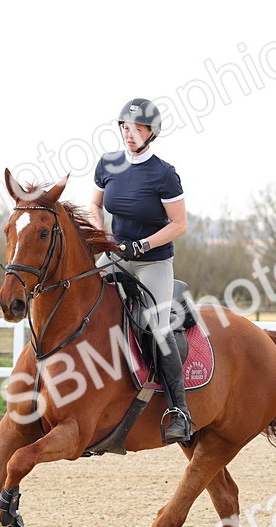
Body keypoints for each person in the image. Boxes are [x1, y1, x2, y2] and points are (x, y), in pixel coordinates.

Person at [88, 98, 192, 444]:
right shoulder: (108, 164)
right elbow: (94, 205)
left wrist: (143, 245)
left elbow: (179, 224)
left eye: (136, 129)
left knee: (158, 326)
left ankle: (179, 411)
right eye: (124, 127)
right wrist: (99, 233)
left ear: (151, 133)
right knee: (80, 297)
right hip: (115, 255)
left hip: (153, 262)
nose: (128, 134)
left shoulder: (164, 173)